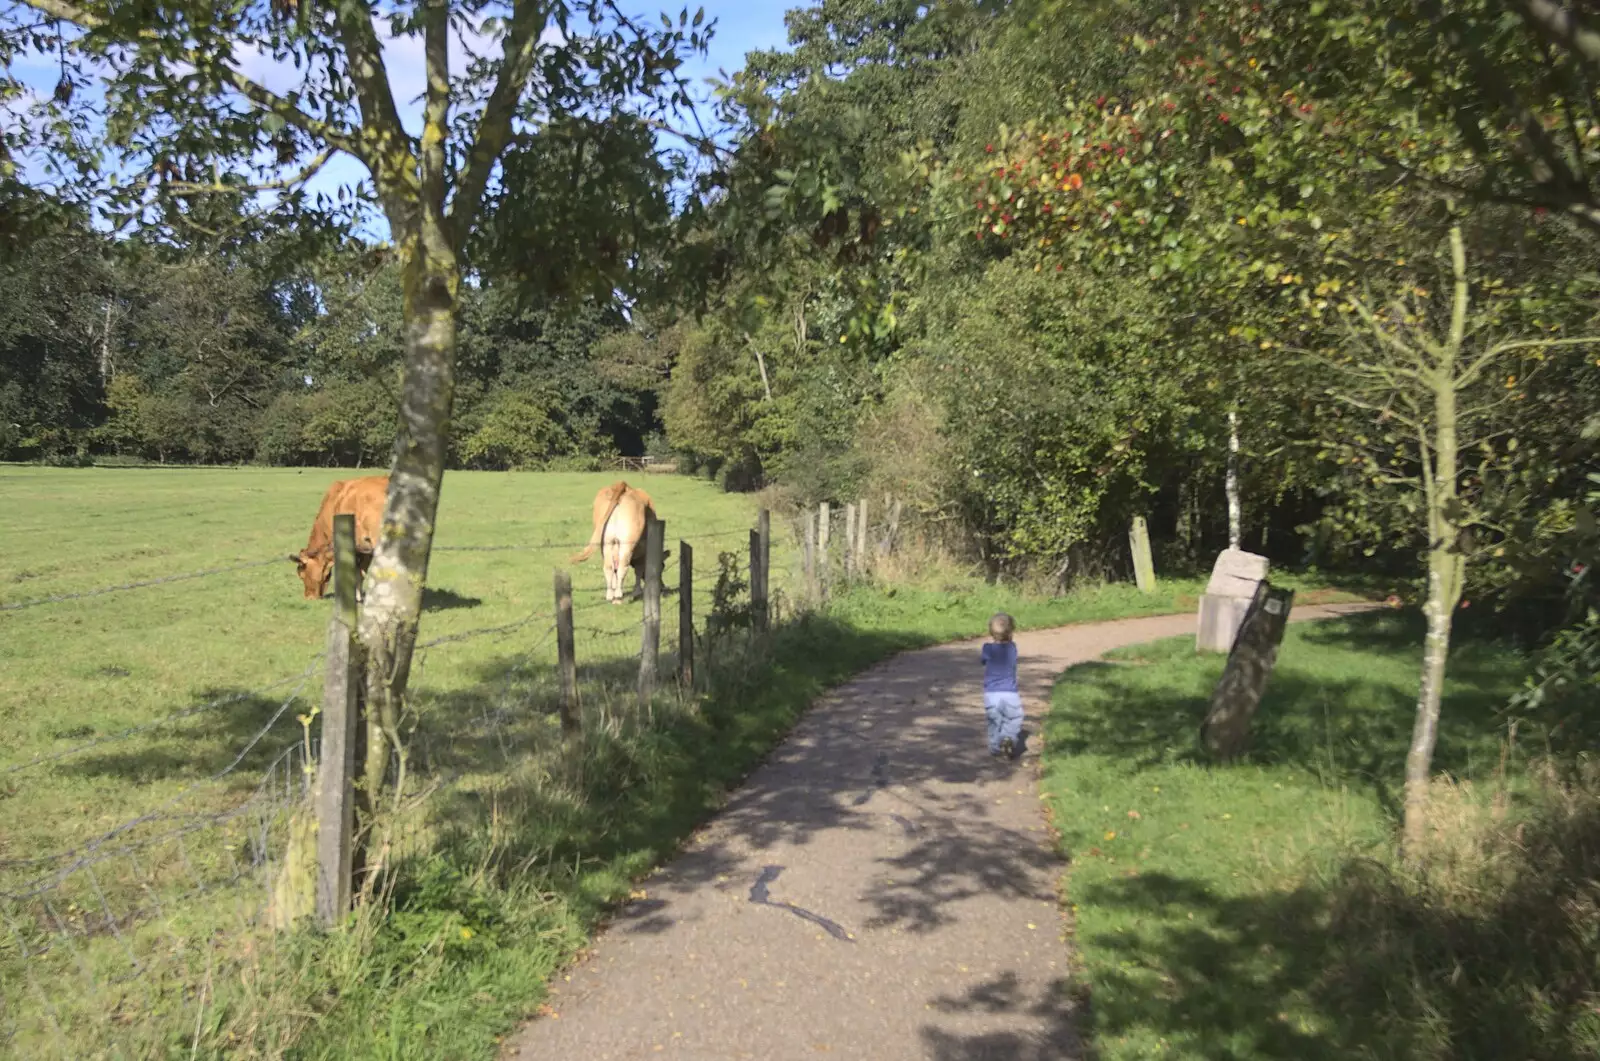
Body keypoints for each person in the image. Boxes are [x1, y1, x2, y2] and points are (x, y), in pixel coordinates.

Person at [981, 613, 1023, 759]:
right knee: (1013, 718)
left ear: (991, 632)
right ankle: (1008, 738)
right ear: (1011, 632)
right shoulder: (1012, 648)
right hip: (1010, 693)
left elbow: (984, 660)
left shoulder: (987, 648)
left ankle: (995, 747)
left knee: (994, 721)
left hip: (991, 694)